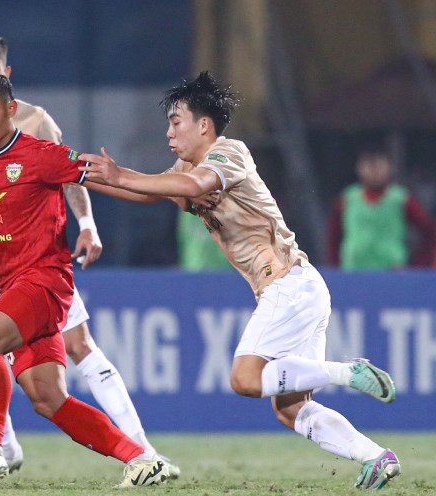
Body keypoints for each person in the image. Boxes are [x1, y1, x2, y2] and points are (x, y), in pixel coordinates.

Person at [80, 71, 401, 490]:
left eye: (176, 122)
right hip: (301, 289)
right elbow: (156, 191)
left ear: (204, 125)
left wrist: (120, 174)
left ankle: (347, 371)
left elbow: (192, 185)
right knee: (289, 410)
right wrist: (91, 177)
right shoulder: (187, 167)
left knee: (244, 379)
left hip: (288, 285)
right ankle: (377, 457)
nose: (169, 132)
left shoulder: (229, 153)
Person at [0, 30, 177, 475]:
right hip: (10, 286)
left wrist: (160, 191)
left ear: (10, 110)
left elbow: (107, 180)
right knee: (47, 399)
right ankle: (141, 460)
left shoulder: (42, 153)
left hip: (46, 282)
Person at [325, 145, 436, 270]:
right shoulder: (347, 199)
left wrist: (415, 266)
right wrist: (334, 269)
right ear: (359, 168)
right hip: (353, 272)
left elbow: (430, 232)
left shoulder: (402, 200)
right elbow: (332, 238)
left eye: (379, 165)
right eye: (368, 165)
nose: (374, 171)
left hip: (391, 274)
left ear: (390, 168)